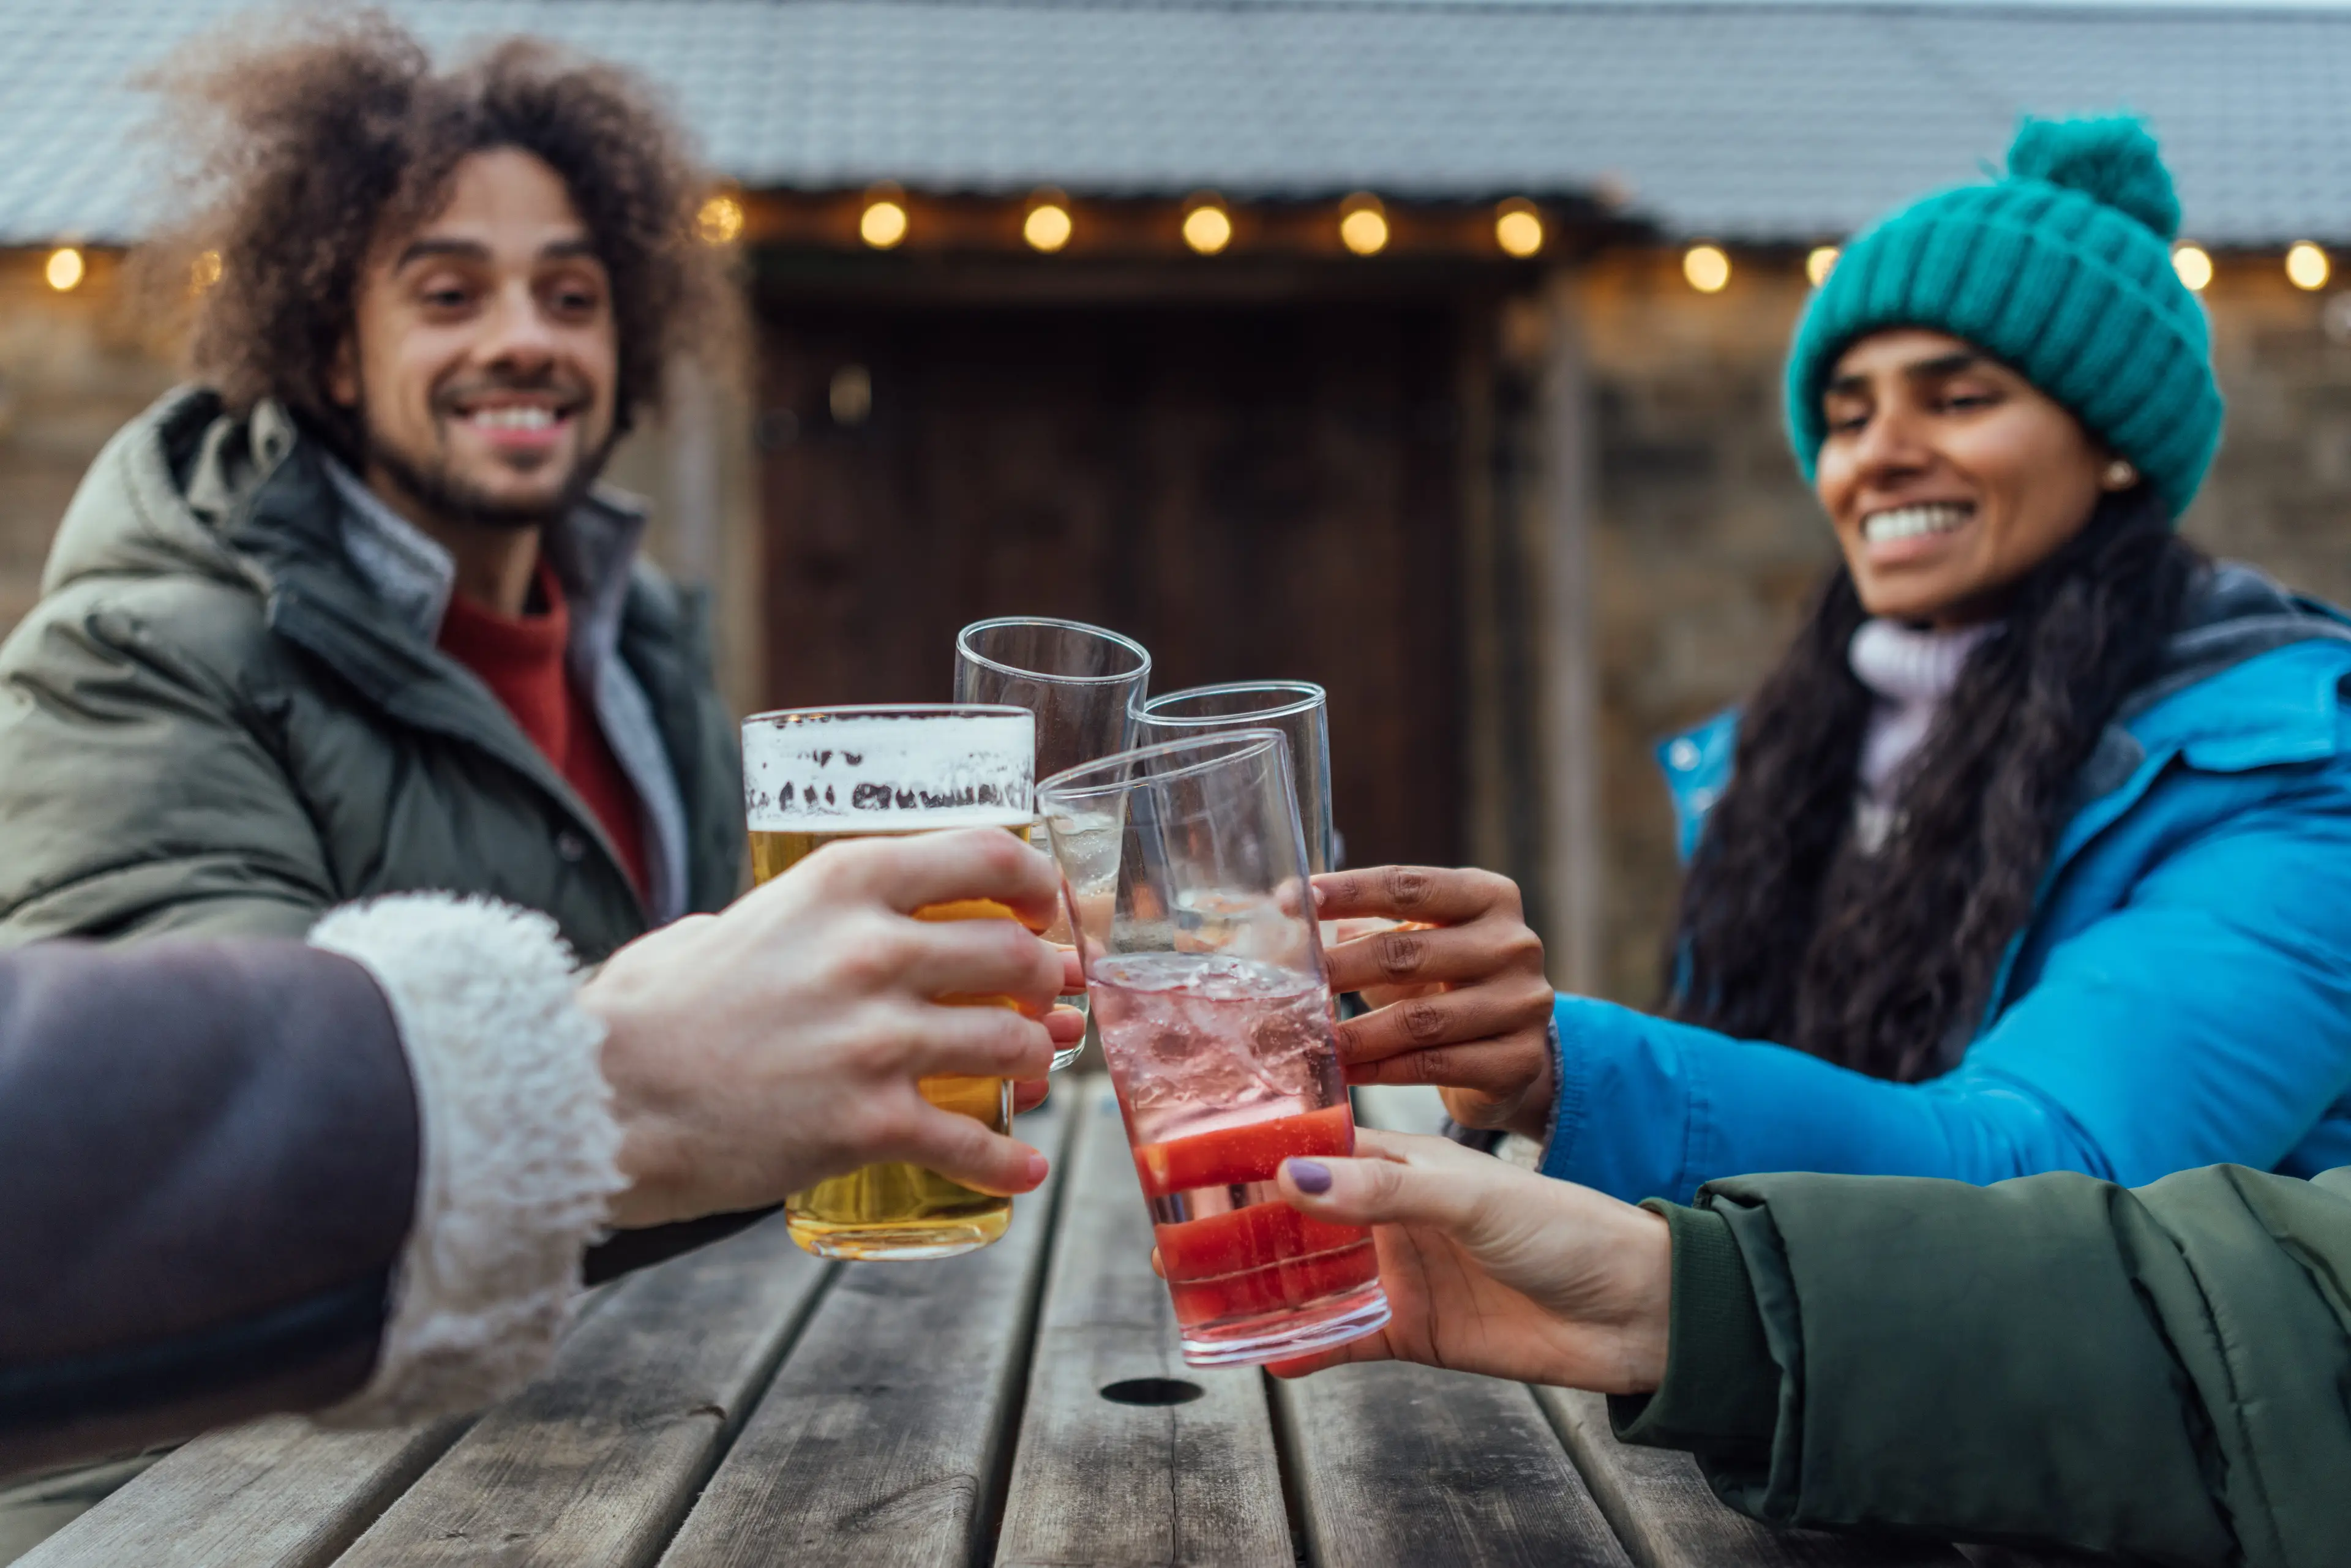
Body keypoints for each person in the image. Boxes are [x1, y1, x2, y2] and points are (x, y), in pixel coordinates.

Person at [1323, 116, 2351, 1202]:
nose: (1881, 456)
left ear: (2115, 446)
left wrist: (1559, 1069)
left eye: (1960, 400)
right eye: (1848, 417)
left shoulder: (2289, 777)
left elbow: (2055, 1178)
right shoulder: (1783, 763)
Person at [1, 827, 1081, 1477]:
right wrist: (603, 1082)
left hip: (604, 1417)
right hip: (207, 1492)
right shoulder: (142, 649)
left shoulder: (639, 644)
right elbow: (194, 1134)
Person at [0, 16, 740, 957]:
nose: (526, 339)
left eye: (572, 299)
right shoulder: (127, 666)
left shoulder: (653, 658)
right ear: (338, 355)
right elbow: (207, 1073)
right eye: (449, 296)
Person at [1262, 1130, 2351, 1566]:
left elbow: (2061, 1135)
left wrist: (1590, 1068)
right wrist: (1686, 1297)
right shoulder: (1787, 747)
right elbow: (2283, 1300)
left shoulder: (2289, 762)